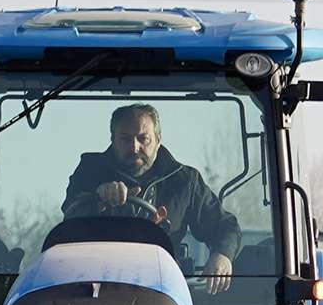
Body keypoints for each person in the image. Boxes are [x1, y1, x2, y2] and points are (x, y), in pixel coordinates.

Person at [62, 103, 241, 293]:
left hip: (162, 291)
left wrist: (222, 254)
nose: (134, 147)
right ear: (112, 140)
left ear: (158, 140)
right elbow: (70, 218)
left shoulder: (184, 181)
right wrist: (98, 198)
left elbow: (225, 226)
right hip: (96, 287)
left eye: (143, 138)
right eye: (125, 139)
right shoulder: (90, 171)